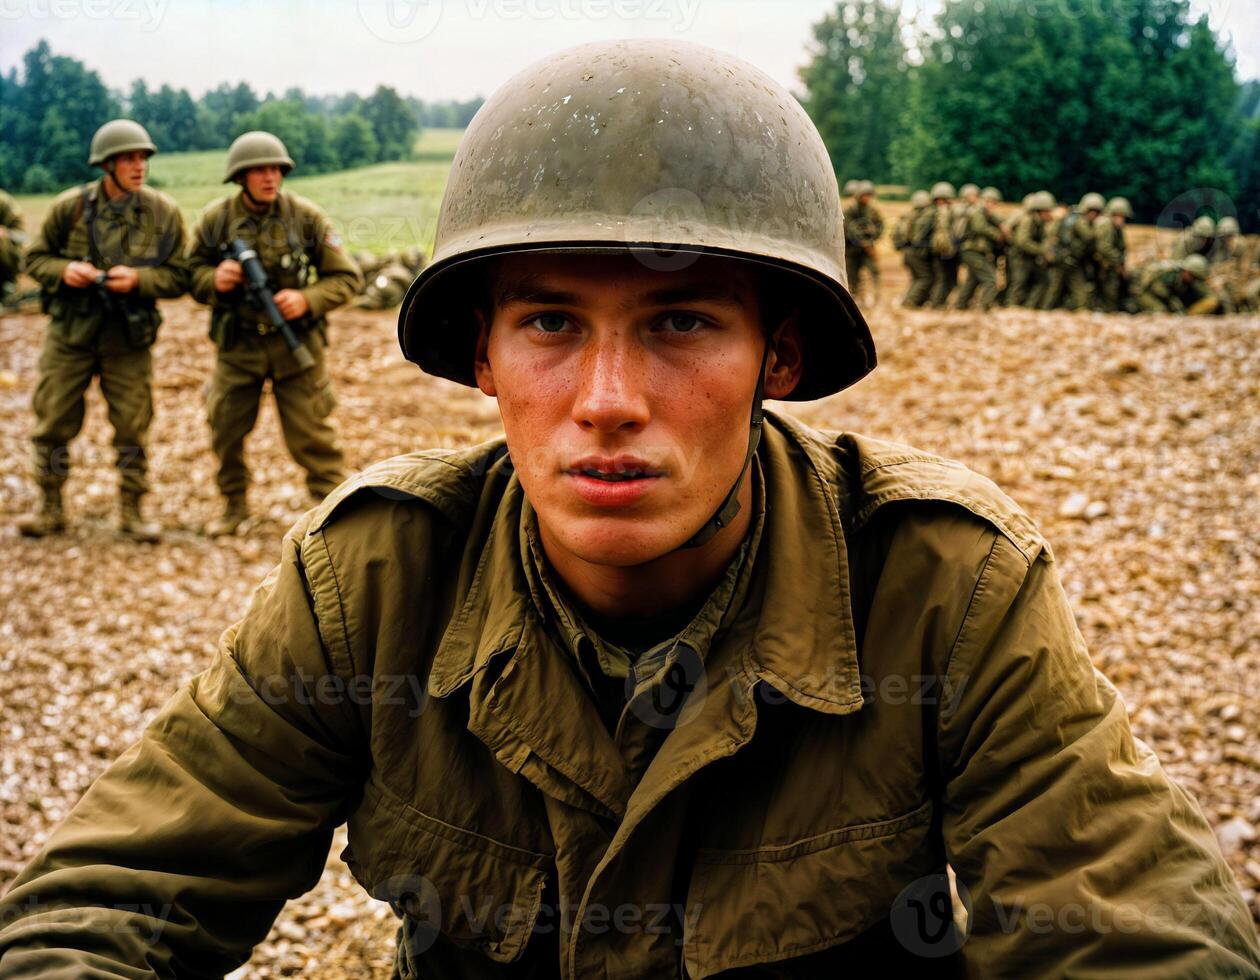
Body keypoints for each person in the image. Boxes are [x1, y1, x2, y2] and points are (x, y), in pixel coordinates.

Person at [2, 40, 1259, 979]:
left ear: (779, 357)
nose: (606, 401)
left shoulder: (939, 588)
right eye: (549, 321)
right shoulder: (375, 579)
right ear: (481, 356)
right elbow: (111, 896)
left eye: (681, 322)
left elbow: (1136, 932)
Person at [17, 119, 188, 541]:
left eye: (143, 157)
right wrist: (65, 270)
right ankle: (50, 506)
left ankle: (132, 510)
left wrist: (140, 281)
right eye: (128, 158)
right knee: (52, 422)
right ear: (106, 165)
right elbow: (34, 260)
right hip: (70, 336)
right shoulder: (69, 209)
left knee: (133, 425)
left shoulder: (162, 213)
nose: (139, 165)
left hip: (128, 339)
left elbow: (182, 275)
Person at [187, 131, 363, 537]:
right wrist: (214, 278)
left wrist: (308, 299)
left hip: (297, 346)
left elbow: (346, 278)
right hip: (239, 346)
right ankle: (233, 507)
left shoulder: (306, 218)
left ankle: (336, 519)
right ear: (240, 176)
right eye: (259, 170)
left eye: (275, 169)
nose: (269, 177)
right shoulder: (216, 221)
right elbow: (187, 275)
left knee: (314, 435)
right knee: (226, 429)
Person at [954, 186, 1004, 311]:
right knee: (990, 279)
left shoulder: (982, 212)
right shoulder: (977, 211)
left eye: (994, 203)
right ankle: (983, 306)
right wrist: (997, 234)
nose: (991, 205)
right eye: (989, 202)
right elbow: (979, 228)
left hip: (973, 251)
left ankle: (960, 305)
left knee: (973, 280)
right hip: (972, 251)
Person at [1005, 191, 1054, 307]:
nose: (1050, 213)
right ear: (1041, 210)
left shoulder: (1040, 222)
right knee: (1019, 282)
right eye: (1048, 211)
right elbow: (1022, 242)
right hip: (1019, 256)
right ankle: (1011, 306)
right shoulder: (1027, 220)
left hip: (1029, 256)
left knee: (1042, 281)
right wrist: (1041, 250)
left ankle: (1028, 306)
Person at [1131, 254, 1219, 314]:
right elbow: (1157, 288)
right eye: (1193, 277)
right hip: (1142, 289)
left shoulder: (1181, 276)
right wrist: (1172, 300)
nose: (1193, 280)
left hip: (1152, 290)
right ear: (1187, 272)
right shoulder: (1171, 274)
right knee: (1160, 310)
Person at [842, 179, 883, 307]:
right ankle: (855, 299)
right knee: (852, 275)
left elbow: (880, 225)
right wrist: (859, 238)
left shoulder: (873, 211)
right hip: (852, 249)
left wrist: (872, 236)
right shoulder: (850, 211)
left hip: (868, 248)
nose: (867, 198)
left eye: (869, 195)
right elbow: (847, 228)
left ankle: (876, 297)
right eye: (865, 195)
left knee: (874, 271)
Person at [1093, 197, 1132, 313]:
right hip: (1102, 263)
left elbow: (1121, 247)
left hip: (1109, 262)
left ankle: (1111, 308)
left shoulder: (1116, 228)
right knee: (1108, 287)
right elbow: (1104, 247)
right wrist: (1118, 261)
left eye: (1122, 216)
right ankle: (1108, 309)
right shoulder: (1105, 225)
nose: (1121, 219)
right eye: (1118, 215)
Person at [0, 188, 24, 306]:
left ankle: (6, 286)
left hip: (5, 257)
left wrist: (5, 233)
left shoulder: (3, 201)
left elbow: (22, 236)